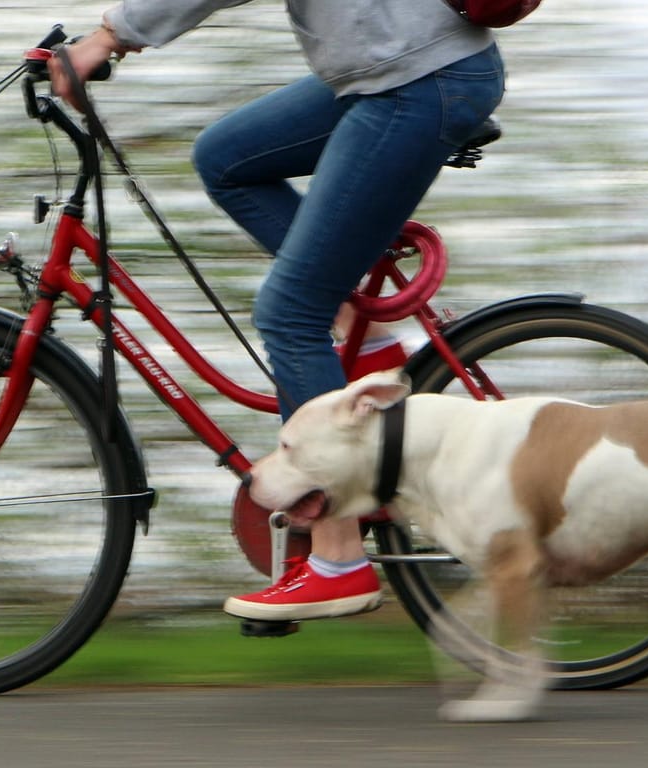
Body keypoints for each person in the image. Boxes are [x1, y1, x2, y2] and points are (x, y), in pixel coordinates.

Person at [52, 1, 505, 623]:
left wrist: (112, 35)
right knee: (226, 158)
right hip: (396, 67)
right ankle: (363, 333)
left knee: (291, 312)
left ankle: (338, 557)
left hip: (418, 79)